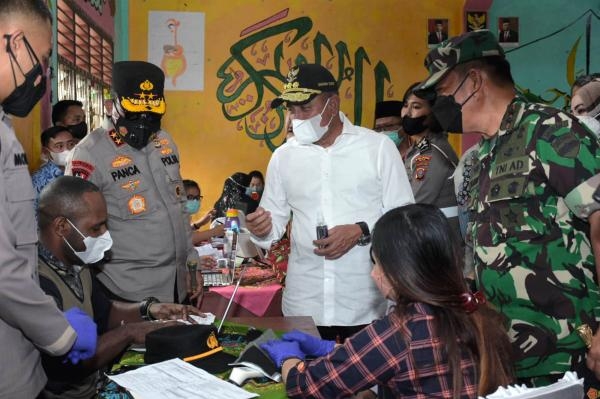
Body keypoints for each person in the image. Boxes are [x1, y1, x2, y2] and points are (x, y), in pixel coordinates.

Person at [416, 29, 600, 390]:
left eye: (442, 91)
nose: (439, 104)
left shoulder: (549, 131)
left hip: (570, 350)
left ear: (473, 81)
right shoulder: (482, 155)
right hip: (509, 354)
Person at [259, 204, 514, 398]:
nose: (373, 274)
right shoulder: (475, 309)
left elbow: (304, 387)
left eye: (378, 263)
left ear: (401, 270)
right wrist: (333, 351)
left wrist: (289, 358)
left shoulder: (401, 331)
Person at [246, 63, 414, 341]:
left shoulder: (376, 148)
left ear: (332, 104)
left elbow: (404, 215)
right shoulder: (283, 157)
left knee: (364, 383)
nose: (297, 117)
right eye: (291, 109)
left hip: (364, 302)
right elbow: (273, 222)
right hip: (305, 302)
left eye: (306, 108)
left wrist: (361, 229)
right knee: (303, 379)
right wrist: (261, 228)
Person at [0, 1, 97, 397]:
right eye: (41, 60)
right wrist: (60, 336)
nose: (41, 77)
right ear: (16, 42)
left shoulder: (4, 128)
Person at [37, 176, 203, 398]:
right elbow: (67, 363)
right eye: (96, 227)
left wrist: (150, 309)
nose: (106, 235)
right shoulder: (36, 284)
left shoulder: (77, 263)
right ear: (61, 227)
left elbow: (105, 311)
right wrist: (128, 333)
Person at [66, 60, 202, 305]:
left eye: (152, 112)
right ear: (112, 104)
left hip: (177, 287)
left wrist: (192, 264)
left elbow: (179, 210)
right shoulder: (89, 155)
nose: (143, 119)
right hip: (126, 294)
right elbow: (75, 232)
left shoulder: (165, 143)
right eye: (134, 110)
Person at [401, 82, 460, 241]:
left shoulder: (430, 152)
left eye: (416, 107)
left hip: (439, 244)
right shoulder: (418, 150)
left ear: (433, 114)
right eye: (406, 105)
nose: (407, 113)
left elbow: (415, 202)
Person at [32, 125, 76, 206]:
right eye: (59, 146)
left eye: (71, 144)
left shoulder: (82, 171)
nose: (67, 150)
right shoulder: (38, 180)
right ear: (46, 152)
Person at [183, 179, 224, 246]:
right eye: (190, 197)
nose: (195, 201)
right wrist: (213, 232)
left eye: (197, 197)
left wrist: (199, 224)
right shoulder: (170, 215)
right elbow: (183, 239)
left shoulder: (185, 215)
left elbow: (184, 231)